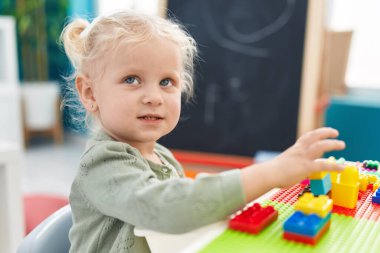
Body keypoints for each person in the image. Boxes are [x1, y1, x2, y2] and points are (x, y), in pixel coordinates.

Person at [60, 10, 345, 253]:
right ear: (89, 93)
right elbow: (168, 208)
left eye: (166, 82)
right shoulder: (103, 163)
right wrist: (270, 173)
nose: (154, 97)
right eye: (132, 79)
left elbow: (186, 208)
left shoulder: (162, 155)